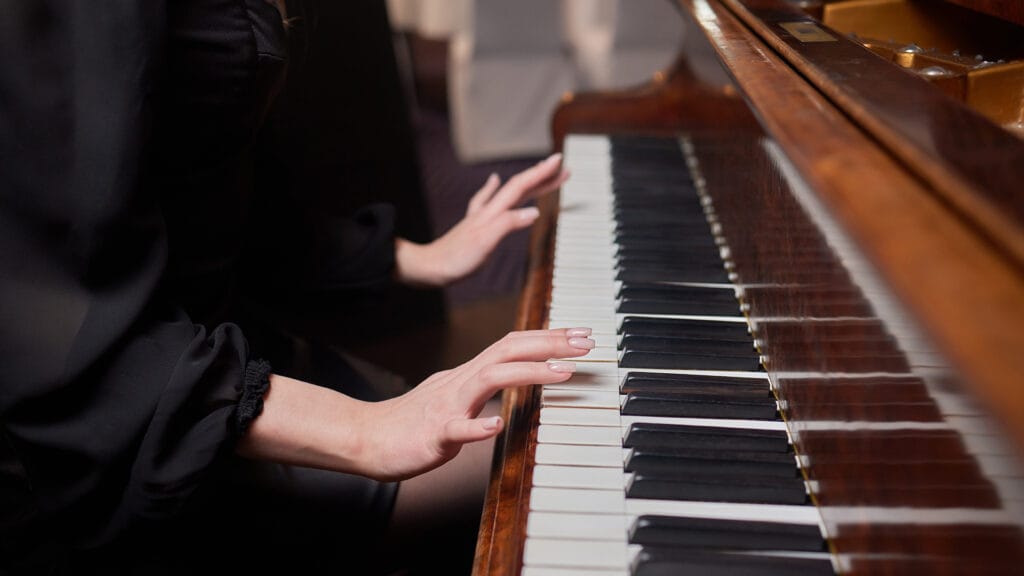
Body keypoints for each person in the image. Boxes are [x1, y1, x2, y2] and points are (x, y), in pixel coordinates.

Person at [0, 1, 588, 573]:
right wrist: (365, 430)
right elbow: (61, 328)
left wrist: (419, 257)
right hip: (132, 431)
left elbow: (199, 181)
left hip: (227, 362)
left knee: (564, 424)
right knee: (564, 466)